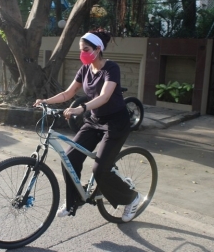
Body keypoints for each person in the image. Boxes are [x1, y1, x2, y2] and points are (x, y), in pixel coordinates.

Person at [33, 31, 139, 222]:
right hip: (95, 121)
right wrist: (45, 101)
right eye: (81, 50)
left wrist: (81, 108)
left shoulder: (111, 68)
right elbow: (67, 93)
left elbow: (105, 96)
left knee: (100, 170)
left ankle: (132, 198)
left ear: (98, 49)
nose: (83, 53)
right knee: (70, 159)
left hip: (115, 123)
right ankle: (73, 201)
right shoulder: (85, 69)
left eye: (86, 49)